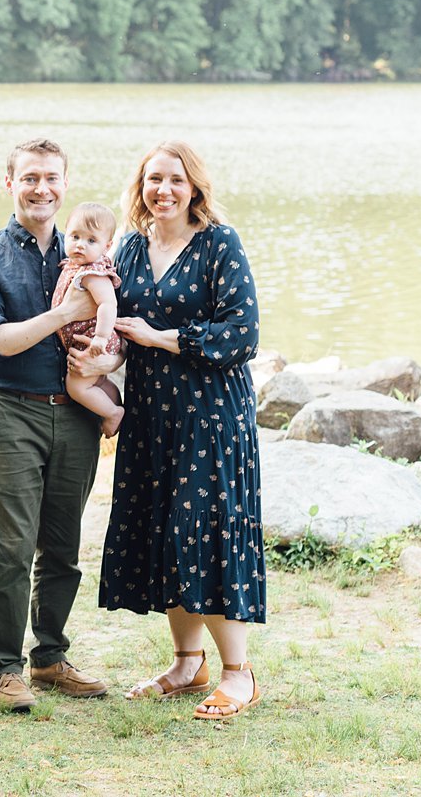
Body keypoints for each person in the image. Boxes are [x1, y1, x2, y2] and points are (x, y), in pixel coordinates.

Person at [98, 141, 265, 721]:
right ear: (140, 187)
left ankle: (239, 674)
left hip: (211, 416)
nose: (162, 190)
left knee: (207, 535)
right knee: (167, 535)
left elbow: (243, 334)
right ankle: (186, 663)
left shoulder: (220, 243)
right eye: (152, 180)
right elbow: (117, 326)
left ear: (194, 186)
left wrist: (161, 338)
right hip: (150, 418)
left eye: (174, 180)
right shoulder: (131, 248)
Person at [0, 138, 115, 712]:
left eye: (51, 178)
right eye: (29, 178)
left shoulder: (89, 254)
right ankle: (6, 668)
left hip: (75, 415)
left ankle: (50, 657)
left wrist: (106, 373)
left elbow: (114, 327)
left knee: (63, 545)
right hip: (11, 412)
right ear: (10, 184)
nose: (41, 189)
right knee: (11, 548)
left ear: (64, 184)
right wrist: (64, 316)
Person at [51, 202, 126, 437]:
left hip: (95, 339)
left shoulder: (93, 274)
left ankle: (113, 413)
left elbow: (108, 304)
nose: (80, 245)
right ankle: (116, 406)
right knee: (97, 382)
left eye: (91, 241)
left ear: (107, 246)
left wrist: (101, 338)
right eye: (75, 236)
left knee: (77, 386)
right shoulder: (75, 265)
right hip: (89, 340)